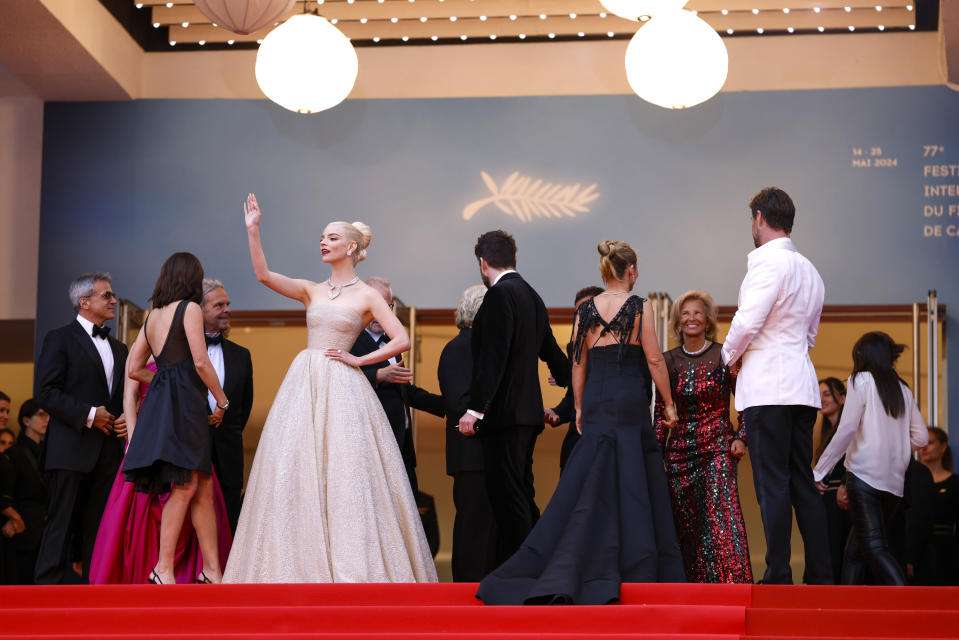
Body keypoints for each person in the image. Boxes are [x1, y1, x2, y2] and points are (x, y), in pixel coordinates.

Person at [223, 194, 436, 583]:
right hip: (305, 380)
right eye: (322, 237)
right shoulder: (312, 289)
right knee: (295, 464)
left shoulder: (368, 294)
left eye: (333, 238)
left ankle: (351, 563)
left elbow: (402, 339)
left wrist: (359, 361)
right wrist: (253, 231)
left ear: (352, 247)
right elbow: (264, 276)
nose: (324, 242)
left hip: (343, 384)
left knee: (346, 469)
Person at [477, 240, 684, 605]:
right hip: (629, 398)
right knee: (632, 478)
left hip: (598, 399)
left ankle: (571, 561)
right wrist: (669, 404)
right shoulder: (640, 306)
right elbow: (653, 360)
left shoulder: (586, 308)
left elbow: (577, 362)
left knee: (590, 483)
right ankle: (635, 564)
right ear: (631, 271)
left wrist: (578, 404)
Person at [722, 187, 832, 585]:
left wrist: (726, 358)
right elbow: (811, 336)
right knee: (801, 481)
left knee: (772, 484)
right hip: (801, 386)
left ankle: (779, 573)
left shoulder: (768, 265)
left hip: (768, 387)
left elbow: (747, 322)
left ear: (759, 218)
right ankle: (821, 572)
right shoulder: (810, 270)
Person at [457, 230, 570, 572]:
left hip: (503, 417)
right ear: (515, 259)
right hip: (527, 415)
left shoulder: (497, 297)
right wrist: (563, 376)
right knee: (521, 493)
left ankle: (526, 572)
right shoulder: (532, 296)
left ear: (482, 262)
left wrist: (474, 410)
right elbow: (549, 346)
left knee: (508, 498)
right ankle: (531, 566)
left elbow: (494, 358)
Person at [121, 252, 229, 585]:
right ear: (192, 279)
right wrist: (222, 401)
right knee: (185, 486)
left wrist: (166, 381)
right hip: (186, 407)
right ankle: (163, 567)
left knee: (202, 487)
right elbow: (200, 361)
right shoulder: (191, 308)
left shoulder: (152, 315)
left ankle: (212, 570)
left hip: (166, 405)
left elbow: (134, 369)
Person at [90, 359, 233, 585]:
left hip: (186, 434)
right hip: (152, 435)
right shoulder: (145, 343)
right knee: (147, 504)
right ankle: (162, 571)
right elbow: (129, 396)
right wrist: (134, 441)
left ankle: (201, 571)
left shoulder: (187, 347)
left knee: (199, 495)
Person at [34, 272, 128, 584]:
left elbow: (121, 396)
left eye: (112, 295)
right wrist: (90, 414)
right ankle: (44, 592)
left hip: (107, 451)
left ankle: (93, 591)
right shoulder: (59, 338)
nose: (113, 300)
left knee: (99, 528)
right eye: (107, 295)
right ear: (84, 302)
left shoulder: (119, 348)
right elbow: (45, 392)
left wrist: (127, 415)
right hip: (70, 447)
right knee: (60, 523)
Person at [813, 332, 928, 586]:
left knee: (874, 548)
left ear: (862, 356)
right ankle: (847, 611)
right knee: (855, 553)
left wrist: (819, 471)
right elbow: (921, 437)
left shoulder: (861, 380)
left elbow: (847, 429)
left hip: (864, 477)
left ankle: (910, 603)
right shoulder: (903, 389)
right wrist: (893, 450)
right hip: (894, 485)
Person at [653, 289, 751, 584]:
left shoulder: (725, 355)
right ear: (678, 323)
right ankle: (689, 589)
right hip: (679, 455)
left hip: (718, 449)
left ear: (707, 320)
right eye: (685, 314)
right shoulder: (667, 361)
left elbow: (746, 399)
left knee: (721, 521)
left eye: (697, 313)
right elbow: (660, 410)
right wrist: (657, 446)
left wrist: (741, 436)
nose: (691, 318)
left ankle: (731, 587)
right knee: (686, 526)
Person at [350, 277, 444, 496]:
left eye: (386, 305)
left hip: (401, 447)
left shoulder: (393, 342)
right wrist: (378, 375)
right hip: (370, 449)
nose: (380, 311)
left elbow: (404, 390)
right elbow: (337, 384)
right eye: (374, 305)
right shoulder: (349, 340)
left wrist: (449, 406)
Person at [437, 284, 497, 582]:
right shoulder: (460, 348)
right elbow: (458, 404)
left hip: (488, 454)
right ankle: (466, 589)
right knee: (474, 527)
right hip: (472, 454)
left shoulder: (483, 348)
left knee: (491, 528)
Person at [201, 278, 254, 535]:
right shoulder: (180, 353)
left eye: (228, 304)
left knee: (229, 526)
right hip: (190, 451)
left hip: (229, 455)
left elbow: (244, 406)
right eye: (219, 304)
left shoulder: (242, 355)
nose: (227, 309)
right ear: (198, 310)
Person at [544, 285, 605, 473]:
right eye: (579, 312)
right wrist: (556, 413)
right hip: (578, 440)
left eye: (589, 309)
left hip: (608, 439)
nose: (583, 316)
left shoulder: (623, 344)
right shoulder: (574, 348)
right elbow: (573, 397)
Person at [814, 377, 852, 584]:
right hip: (827, 504)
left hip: (845, 501)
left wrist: (845, 484)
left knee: (842, 552)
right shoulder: (824, 433)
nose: (821, 399)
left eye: (827, 394)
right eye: (818, 394)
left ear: (843, 398)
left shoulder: (850, 429)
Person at [6, 400, 49, 584]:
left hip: (45, 533)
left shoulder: (49, 452)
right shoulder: (14, 453)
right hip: (22, 531)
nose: (46, 419)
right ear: (26, 421)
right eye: (40, 414)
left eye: (48, 415)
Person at [918, 426, 959, 585]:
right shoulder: (912, 481)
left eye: (930, 443)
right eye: (922, 443)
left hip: (946, 550)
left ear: (943, 447)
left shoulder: (955, 483)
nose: (924, 448)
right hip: (919, 551)